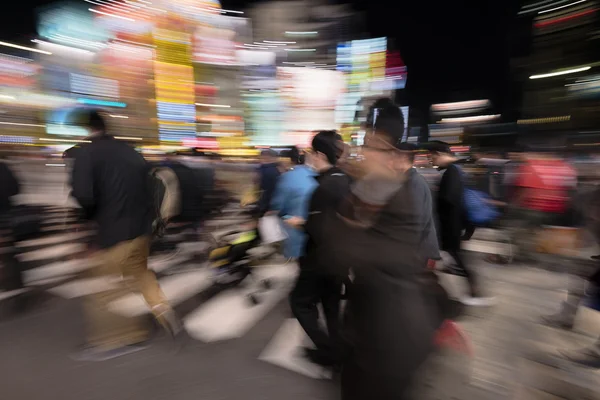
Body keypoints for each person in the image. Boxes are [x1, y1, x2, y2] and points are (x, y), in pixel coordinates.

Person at [319, 103, 447, 399]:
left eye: (368, 144)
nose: (361, 152)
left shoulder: (397, 193)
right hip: (374, 336)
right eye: (362, 143)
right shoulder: (379, 188)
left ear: (390, 151)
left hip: (389, 344)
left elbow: (339, 253)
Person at [70, 109, 180, 360]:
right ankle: (163, 311)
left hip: (112, 232)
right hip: (141, 231)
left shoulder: (88, 153)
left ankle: (115, 339)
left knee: (102, 287)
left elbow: (84, 195)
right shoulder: (132, 153)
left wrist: (86, 232)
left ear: (88, 129)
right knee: (141, 276)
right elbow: (151, 187)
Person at [289, 131, 351, 367]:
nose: (309, 158)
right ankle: (339, 350)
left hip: (320, 260)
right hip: (340, 260)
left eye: (311, 153)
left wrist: (301, 223)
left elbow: (319, 229)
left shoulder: (325, 188)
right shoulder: (345, 180)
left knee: (299, 302)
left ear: (320, 154)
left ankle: (329, 352)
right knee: (331, 306)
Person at [428, 141, 494, 306]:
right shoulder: (456, 169)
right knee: (454, 258)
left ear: (439, 154)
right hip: (453, 226)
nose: (431, 161)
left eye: (432, 157)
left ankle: (475, 292)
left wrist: (434, 200)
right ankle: (472, 291)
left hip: (450, 226)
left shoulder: (451, 172)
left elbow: (450, 200)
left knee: (457, 258)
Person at [269, 146, 317, 260]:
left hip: (295, 232)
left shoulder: (287, 177)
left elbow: (277, 205)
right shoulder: (315, 175)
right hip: (314, 231)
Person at [256, 149, 281, 217]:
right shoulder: (276, 169)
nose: (260, 159)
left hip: (267, 203)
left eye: (262, 157)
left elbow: (263, 187)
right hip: (271, 203)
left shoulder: (267, 170)